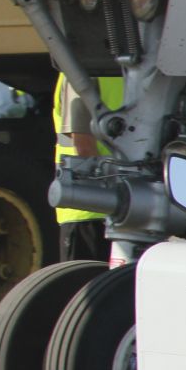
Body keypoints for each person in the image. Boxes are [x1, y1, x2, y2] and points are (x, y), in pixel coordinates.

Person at [53, 74, 124, 264]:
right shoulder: (130, 72)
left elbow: (83, 145)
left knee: (85, 287)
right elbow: (84, 146)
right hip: (119, 206)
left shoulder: (80, 71)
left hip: (89, 205)